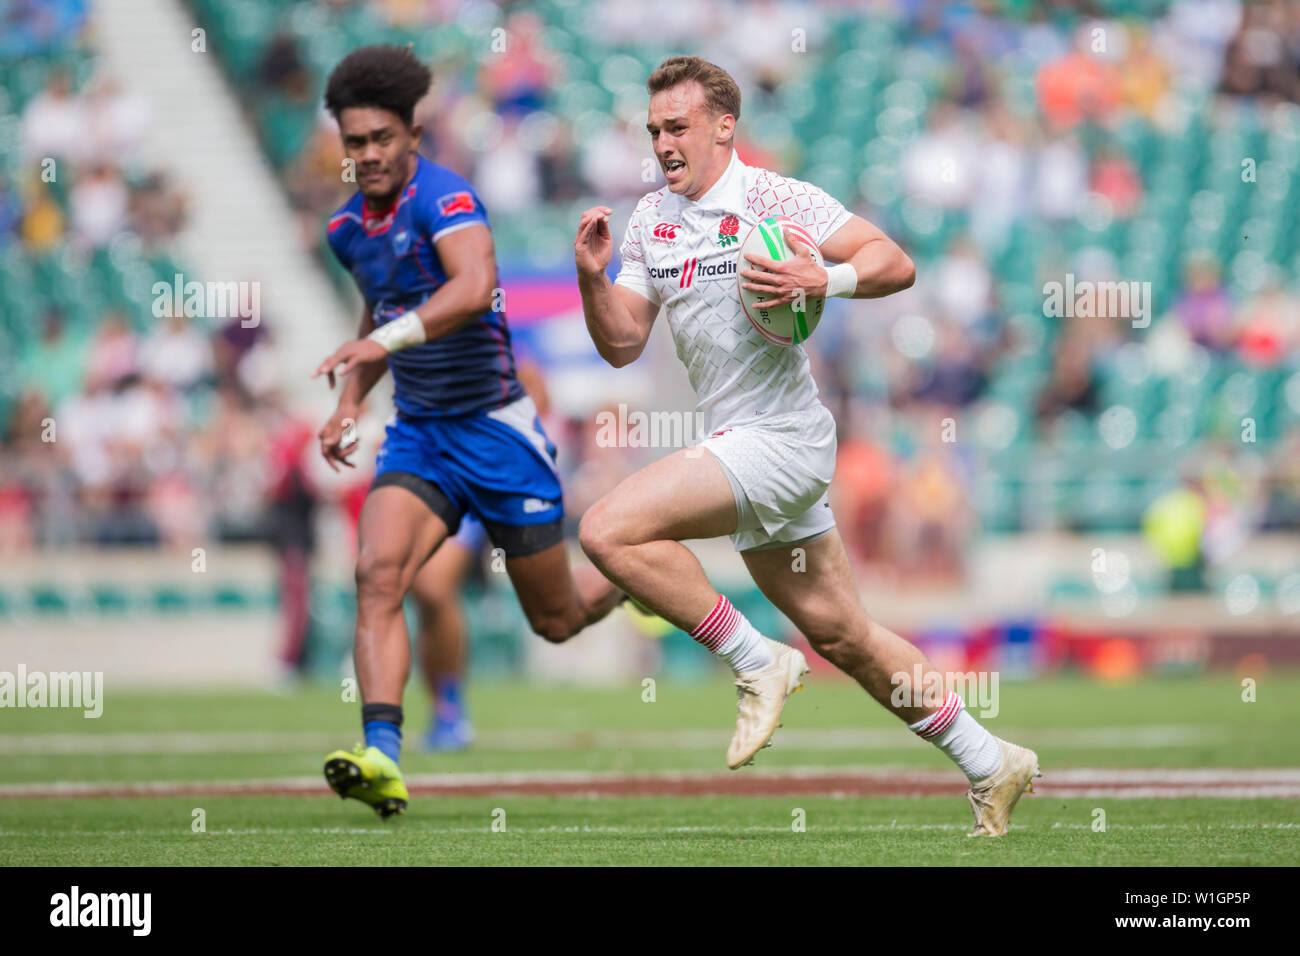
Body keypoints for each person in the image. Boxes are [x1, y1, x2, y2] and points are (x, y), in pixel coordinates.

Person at [574, 56, 1040, 836]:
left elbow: (895, 261)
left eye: (678, 126)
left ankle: (756, 660)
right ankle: (991, 760)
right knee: (845, 636)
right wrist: (592, 278)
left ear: (725, 125)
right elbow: (621, 343)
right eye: (654, 129)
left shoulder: (775, 198)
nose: (662, 143)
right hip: (738, 442)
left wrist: (825, 279)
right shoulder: (650, 219)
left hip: (783, 439)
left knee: (606, 530)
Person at [313, 45, 622, 818]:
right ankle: (382, 754)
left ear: (412, 132)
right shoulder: (347, 229)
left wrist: (379, 345)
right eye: (355, 142)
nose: (371, 153)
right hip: (419, 435)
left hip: (497, 431)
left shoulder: (446, 199)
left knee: (556, 621)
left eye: (383, 137)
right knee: (379, 576)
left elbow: (475, 286)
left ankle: (631, 574)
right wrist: (351, 400)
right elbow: (375, 313)